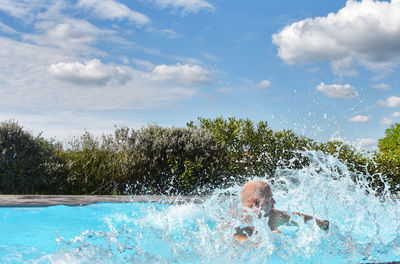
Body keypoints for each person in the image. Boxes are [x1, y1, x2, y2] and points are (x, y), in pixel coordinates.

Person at [233, 180, 329, 241]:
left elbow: (296, 218)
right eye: (269, 199)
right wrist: (271, 238)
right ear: (256, 204)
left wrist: (322, 224)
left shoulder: (272, 215)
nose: (274, 202)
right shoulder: (236, 221)